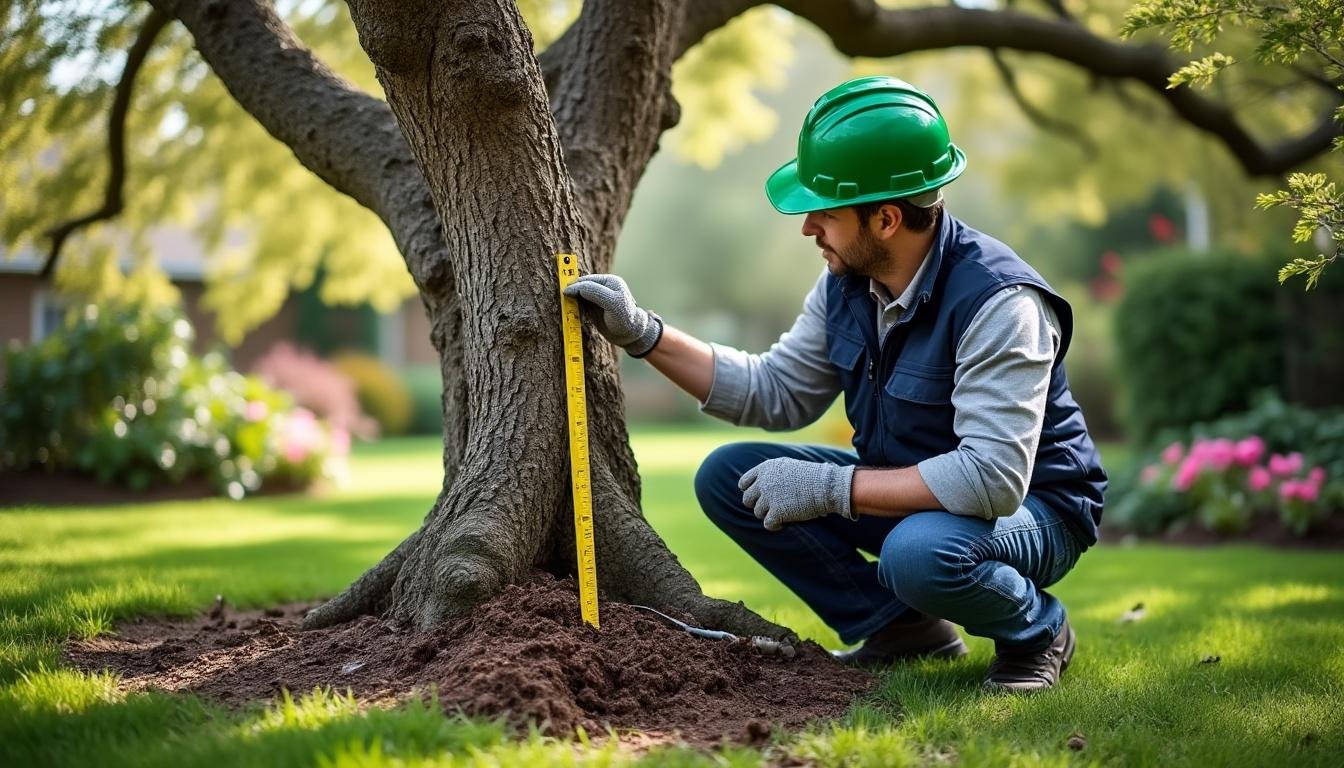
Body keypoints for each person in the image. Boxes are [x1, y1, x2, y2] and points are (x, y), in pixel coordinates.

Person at [564, 76, 1106, 692]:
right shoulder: (846, 285)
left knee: (918, 554)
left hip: (1038, 508)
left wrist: (830, 487)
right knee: (730, 478)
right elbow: (775, 390)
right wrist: (644, 334)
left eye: (824, 212)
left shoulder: (999, 304)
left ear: (886, 218)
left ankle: (1038, 630)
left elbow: (991, 479)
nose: (808, 228)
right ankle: (902, 629)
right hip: (916, 495)